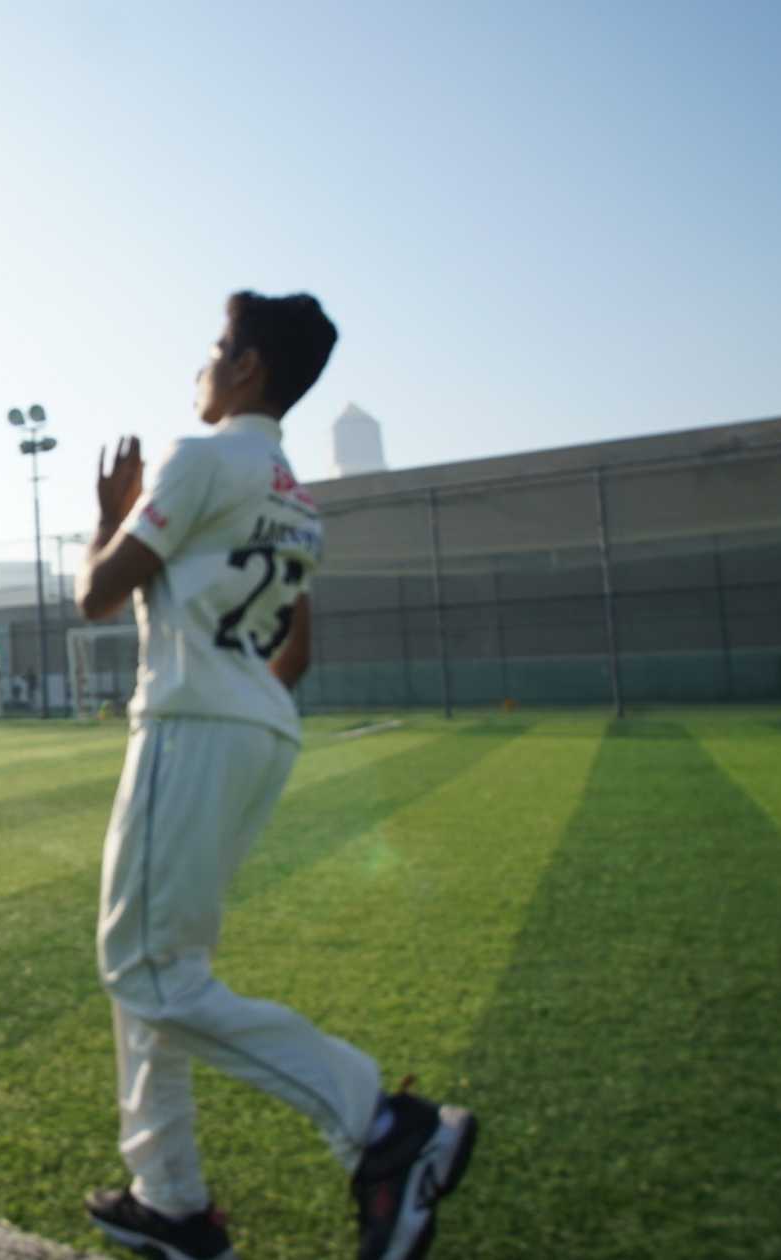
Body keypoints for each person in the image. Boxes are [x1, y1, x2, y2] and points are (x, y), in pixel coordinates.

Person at [70, 291, 475, 1260]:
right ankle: (166, 1197)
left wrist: (108, 517)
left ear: (247, 368)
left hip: (189, 727)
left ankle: (379, 1125)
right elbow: (289, 660)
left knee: (144, 971)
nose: (202, 368)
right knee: (161, 970)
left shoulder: (199, 456)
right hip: (257, 729)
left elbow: (94, 595)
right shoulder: (296, 499)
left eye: (215, 350)